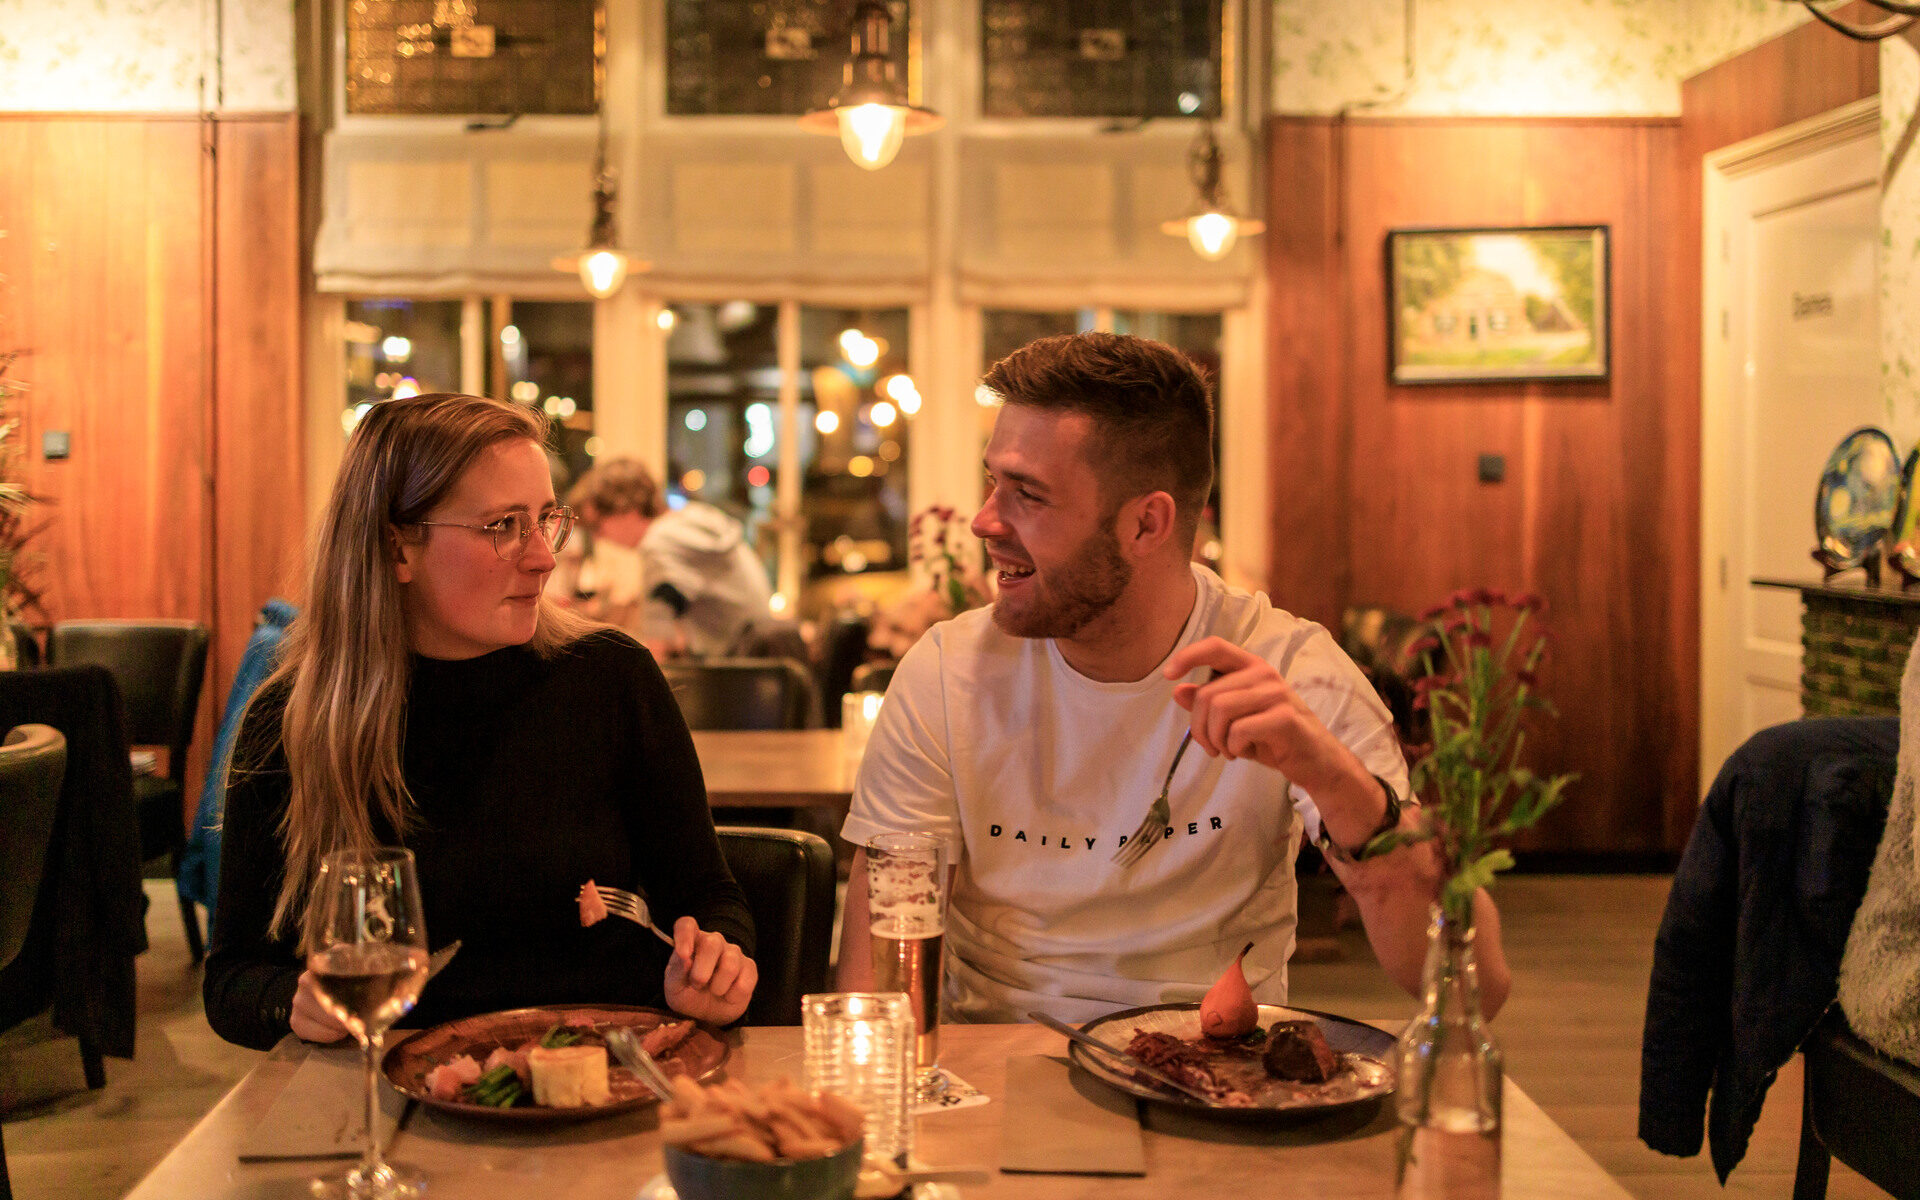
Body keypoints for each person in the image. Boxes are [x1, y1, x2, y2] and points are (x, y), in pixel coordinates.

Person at [834, 332, 1510, 1024]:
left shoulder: (1288, 670)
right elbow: (873, 987)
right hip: (998, 1079)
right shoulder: (946, 674)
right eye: (992, 483)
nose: (984, 522)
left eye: (1028, 496)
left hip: (1217, 1082)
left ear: (1146, 523)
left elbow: (1471, 988)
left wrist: (1336, 781)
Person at [206, 394, 757, 1052]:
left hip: (605, 1083)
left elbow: (708, 894)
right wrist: (290, 1004)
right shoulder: (294, 721)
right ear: (397, 548)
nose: (543, 558)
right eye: (503, 526)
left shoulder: (610, 677)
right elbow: (233, 979)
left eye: (546, 520)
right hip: (390, 1103)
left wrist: (719, 962)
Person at [566, 458, 775, 659]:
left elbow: (659, 641)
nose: (598, 537)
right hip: (757, 656)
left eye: (597, 526)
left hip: (734, 669)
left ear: (626, 508)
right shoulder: (692, 518)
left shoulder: (659, 543)